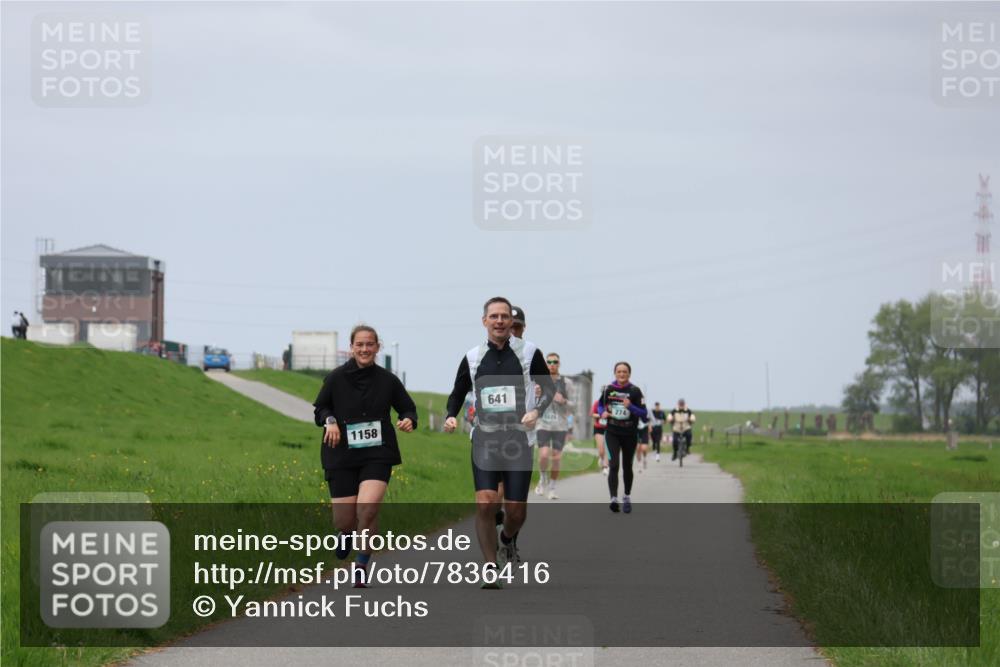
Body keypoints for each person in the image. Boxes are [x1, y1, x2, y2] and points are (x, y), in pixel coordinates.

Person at [444, 297, 554, 588]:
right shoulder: (473, 356)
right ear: (485, 322)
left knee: (516, 511)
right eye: (494, 316)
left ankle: (507, 538)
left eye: (505, 316)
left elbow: (550, 388)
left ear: (511, 322)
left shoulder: (530, 353)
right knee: (485, 503)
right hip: (485, 439)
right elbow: (457, 392)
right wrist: (450, 416)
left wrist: (536, 411)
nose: (500, 321)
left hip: (519, 438)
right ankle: (490, 567)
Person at [313, 324, 418, 588]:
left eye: (369, 344)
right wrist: (331, 421)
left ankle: (361, 564)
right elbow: (320, 408)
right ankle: (346, 533)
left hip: (377, 453)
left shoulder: (388, 380)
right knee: (344, 519)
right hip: (341, 454)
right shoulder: (336, 378)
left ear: (377, 347)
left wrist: (408, 420)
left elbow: (408, 409)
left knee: (368, 510)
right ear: (351, 347)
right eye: (359, 344)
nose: (364, 349)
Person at [598, 363, 646, 514]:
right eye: (619, 372)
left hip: (630, 434)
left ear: (629, 374)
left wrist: (630, 406)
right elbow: (600, 406)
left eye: (624, 372)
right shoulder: (608, 389)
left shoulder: (635, 391)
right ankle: (613, 498)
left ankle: (626, 496)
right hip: (612, 432)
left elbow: (643, 413)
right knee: (614, 465)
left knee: (627, 467)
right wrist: (602, 413)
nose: (622, 374)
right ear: (615, 373)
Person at [535, 352, 572, 500]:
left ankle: (552, 488)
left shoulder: (566, 383)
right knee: (544, 455)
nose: (552, 365)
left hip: (560, 426)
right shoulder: (539, 382)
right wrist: (535, 395)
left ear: (559, 364)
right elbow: (529, 402)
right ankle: (542, 478)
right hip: (543, 424)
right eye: (549, 362)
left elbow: (575, 406)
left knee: (556, 458)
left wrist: (563, 401)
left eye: (555, 362)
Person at [591, 394, 609, 475]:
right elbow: (592, 414)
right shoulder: (597, 403)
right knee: (601, 450)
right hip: (598, 428)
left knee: (608, 449)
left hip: (609, 428)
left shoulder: (611, 404)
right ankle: (601, 458)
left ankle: (605, 467)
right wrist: (601, 415)